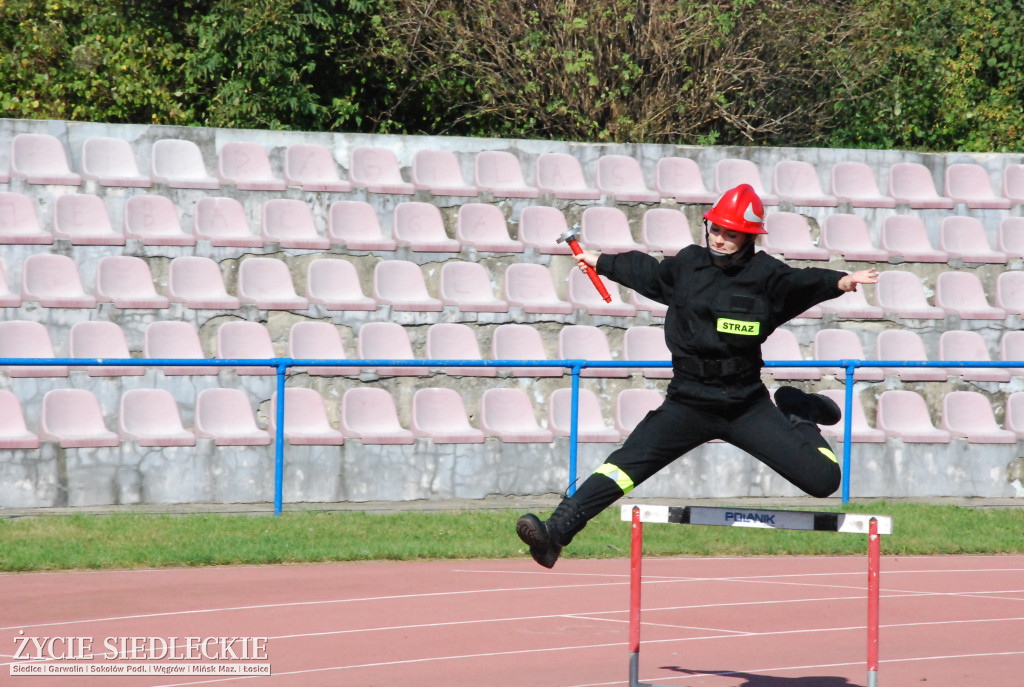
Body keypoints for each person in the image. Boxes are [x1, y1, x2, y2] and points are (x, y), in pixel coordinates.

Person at [516, 183, 879, 569]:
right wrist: (599, 260)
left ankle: (800, 414)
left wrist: (840, 281)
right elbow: (647, 272)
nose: (720, 240)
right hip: (688, 401)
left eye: (731, 234)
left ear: (749, 237)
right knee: (624, 466)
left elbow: (801, 282)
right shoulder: (688, 264)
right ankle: (556, 534)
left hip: (745, 403)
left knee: (824, 482)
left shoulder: (766, 276)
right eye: (716, 230)